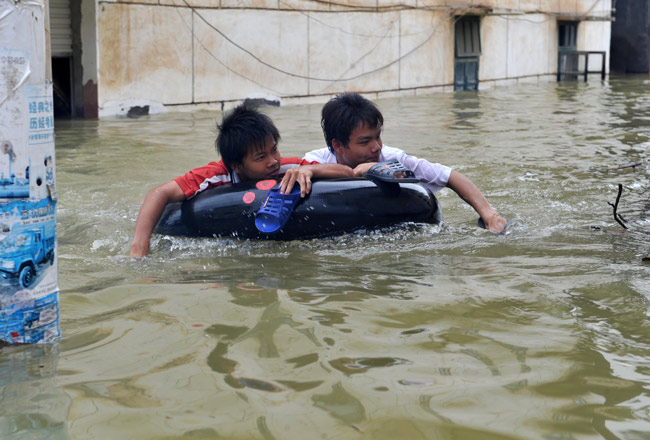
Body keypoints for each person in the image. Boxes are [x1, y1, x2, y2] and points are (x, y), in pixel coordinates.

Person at [130, 103, 353, 257]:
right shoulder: (215, 175)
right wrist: (139, 247)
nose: (273, 161)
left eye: (274, 150)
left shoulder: (286, 166)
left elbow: (346, 172)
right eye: (260, 157)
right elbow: (159, 193)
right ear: (237, 165)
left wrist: (311, 172)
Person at [304, 92, 508, 233]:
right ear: (338, 146)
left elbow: (450, 176)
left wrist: (489, 215)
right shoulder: (316, 160)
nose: (377, 147)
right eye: (365, 142)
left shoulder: (394, 158)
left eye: (378, 137)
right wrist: (360, 171)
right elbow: (305, 173)